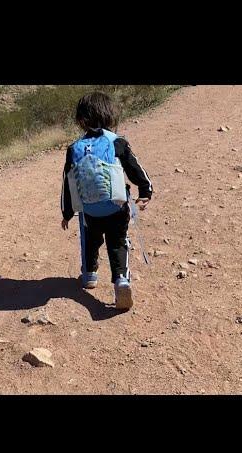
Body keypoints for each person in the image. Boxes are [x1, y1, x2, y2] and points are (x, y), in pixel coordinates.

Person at [61, 92, 153, 310]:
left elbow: (68, 183)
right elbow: (134, 168)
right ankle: (121, 279)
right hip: (117, 207)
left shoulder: (74, 148)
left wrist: (66, 213)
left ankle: (90, 275)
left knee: (90, 240)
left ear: (81, 120)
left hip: (90, 211)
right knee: (117, 242)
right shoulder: (117, 142)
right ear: (110, 115)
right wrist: (145, 190)